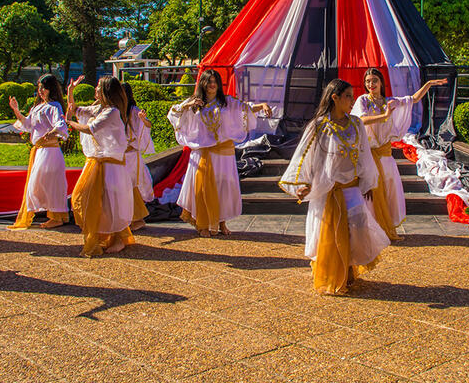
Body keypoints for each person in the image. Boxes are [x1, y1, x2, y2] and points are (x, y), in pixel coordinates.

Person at [280, 78, 390, 295]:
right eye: (348, 96)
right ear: (335, 98)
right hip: (328, 191)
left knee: (357, 228)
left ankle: (349, 268)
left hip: (352, 187)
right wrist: (301, 184)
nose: (352, 101)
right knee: (329, 232)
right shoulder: (319, 126)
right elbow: (304, 156)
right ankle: (332, 272)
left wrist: (368, 181)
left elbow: (364, 155)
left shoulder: (356, 124)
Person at [167, 69, 271, 237]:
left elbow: (245, 108)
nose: (212, 84)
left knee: (224, 188)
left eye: (215, 81)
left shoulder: (227, 102)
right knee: (201, 189)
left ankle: (222, 222)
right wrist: (186, 106)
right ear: (203, 83)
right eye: (209, 81)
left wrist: (263, 106)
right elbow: (173, 113)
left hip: (224, 153)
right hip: (203, 153)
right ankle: (203, 224)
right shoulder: (194, 104)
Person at [350, 68, 447, 239]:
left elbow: (414, 99)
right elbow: (361, 120)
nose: (370, 84)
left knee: (389, 191)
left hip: (386, 155)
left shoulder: (390, 102)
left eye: (374, 80)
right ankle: (370, 230)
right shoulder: (363, 101)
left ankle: (386, 228)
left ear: (381, 83)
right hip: (369, 155)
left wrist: (429, 84)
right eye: (367, 81)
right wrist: (385, 116)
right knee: (370, 192)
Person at [66, 75, 133, 257]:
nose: (95, 90)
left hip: (110, 166)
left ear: (105, 92)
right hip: (97, 163)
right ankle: (106, 235)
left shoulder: (111, 112)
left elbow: (90, 128)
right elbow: (74, 109)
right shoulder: (97, 108)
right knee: (86, 198)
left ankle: (119, 238)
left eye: (98, 87)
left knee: (111, 204)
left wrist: (70, 123)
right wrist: (70, 91)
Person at [7, 74, 69, 230]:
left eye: (43, 87)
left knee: (50, 184)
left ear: (50, 89)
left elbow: (61, 125)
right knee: (37, 184)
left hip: (50, 151)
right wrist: (16, 110)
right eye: (39, 87)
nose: (40, 90)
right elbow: (28, 125)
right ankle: (52, 214)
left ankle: (56, 217)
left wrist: (53, 132)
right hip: (40, 151)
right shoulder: (37, 107)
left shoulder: (55, 106)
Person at [122, 82, 154, 232]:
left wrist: (143, 120)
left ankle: (137, 218)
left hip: (131, 156)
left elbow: (148, 125)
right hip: (120, 156)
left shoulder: (133, 110)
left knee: (133, 187)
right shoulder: (115, 111)